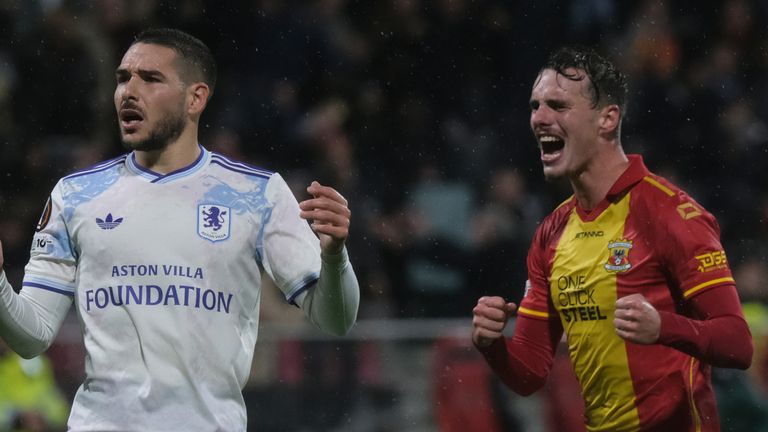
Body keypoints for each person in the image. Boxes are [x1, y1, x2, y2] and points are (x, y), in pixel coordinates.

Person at [0, 28, 360, 431]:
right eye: (123, 78)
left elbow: (336, 320)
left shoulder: (256, 194)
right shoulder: (76, 195)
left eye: (150, 79)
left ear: (196, 98)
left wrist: (335, 258)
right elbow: (31, 336)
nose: (128, 92)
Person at [471, 46, 753, 432]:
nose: (540, 118)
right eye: (536, 106)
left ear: (607, 119)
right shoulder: (550, 234)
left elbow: (738, 344)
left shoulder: (671, 214)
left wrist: (664, 327)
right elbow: (530, 374)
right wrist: (493, 345)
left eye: (558, 105)